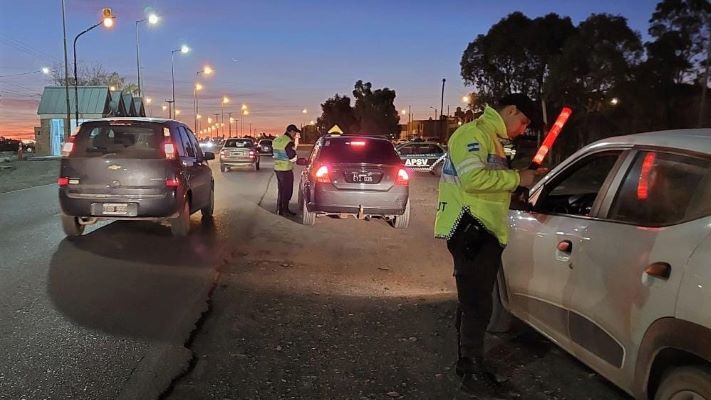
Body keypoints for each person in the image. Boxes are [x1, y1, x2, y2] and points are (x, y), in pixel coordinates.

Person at [434, 93, 544, 397]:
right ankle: (471, 372)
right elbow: (473, 180)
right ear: (510, 111)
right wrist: (516, 178)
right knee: (478, 306)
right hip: (471, 231)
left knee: (474, 302)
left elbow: (491, 184)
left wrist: (519, 184)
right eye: (523, 121)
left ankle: (467, 364)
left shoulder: (491, 139)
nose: (523, 129)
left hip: (484, 231)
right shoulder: (473, 134)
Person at [272, 124, 301, 216]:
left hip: (277, 168)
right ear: (291, 131)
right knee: (287, 190)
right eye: (295, 132)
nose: (295, 134)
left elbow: (275, 153)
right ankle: (284, 209)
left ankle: (279, 209)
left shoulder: (276, 140)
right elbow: (292, 157)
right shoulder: (288, 141)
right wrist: (296, 158)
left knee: (281, 189)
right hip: (286, 169)